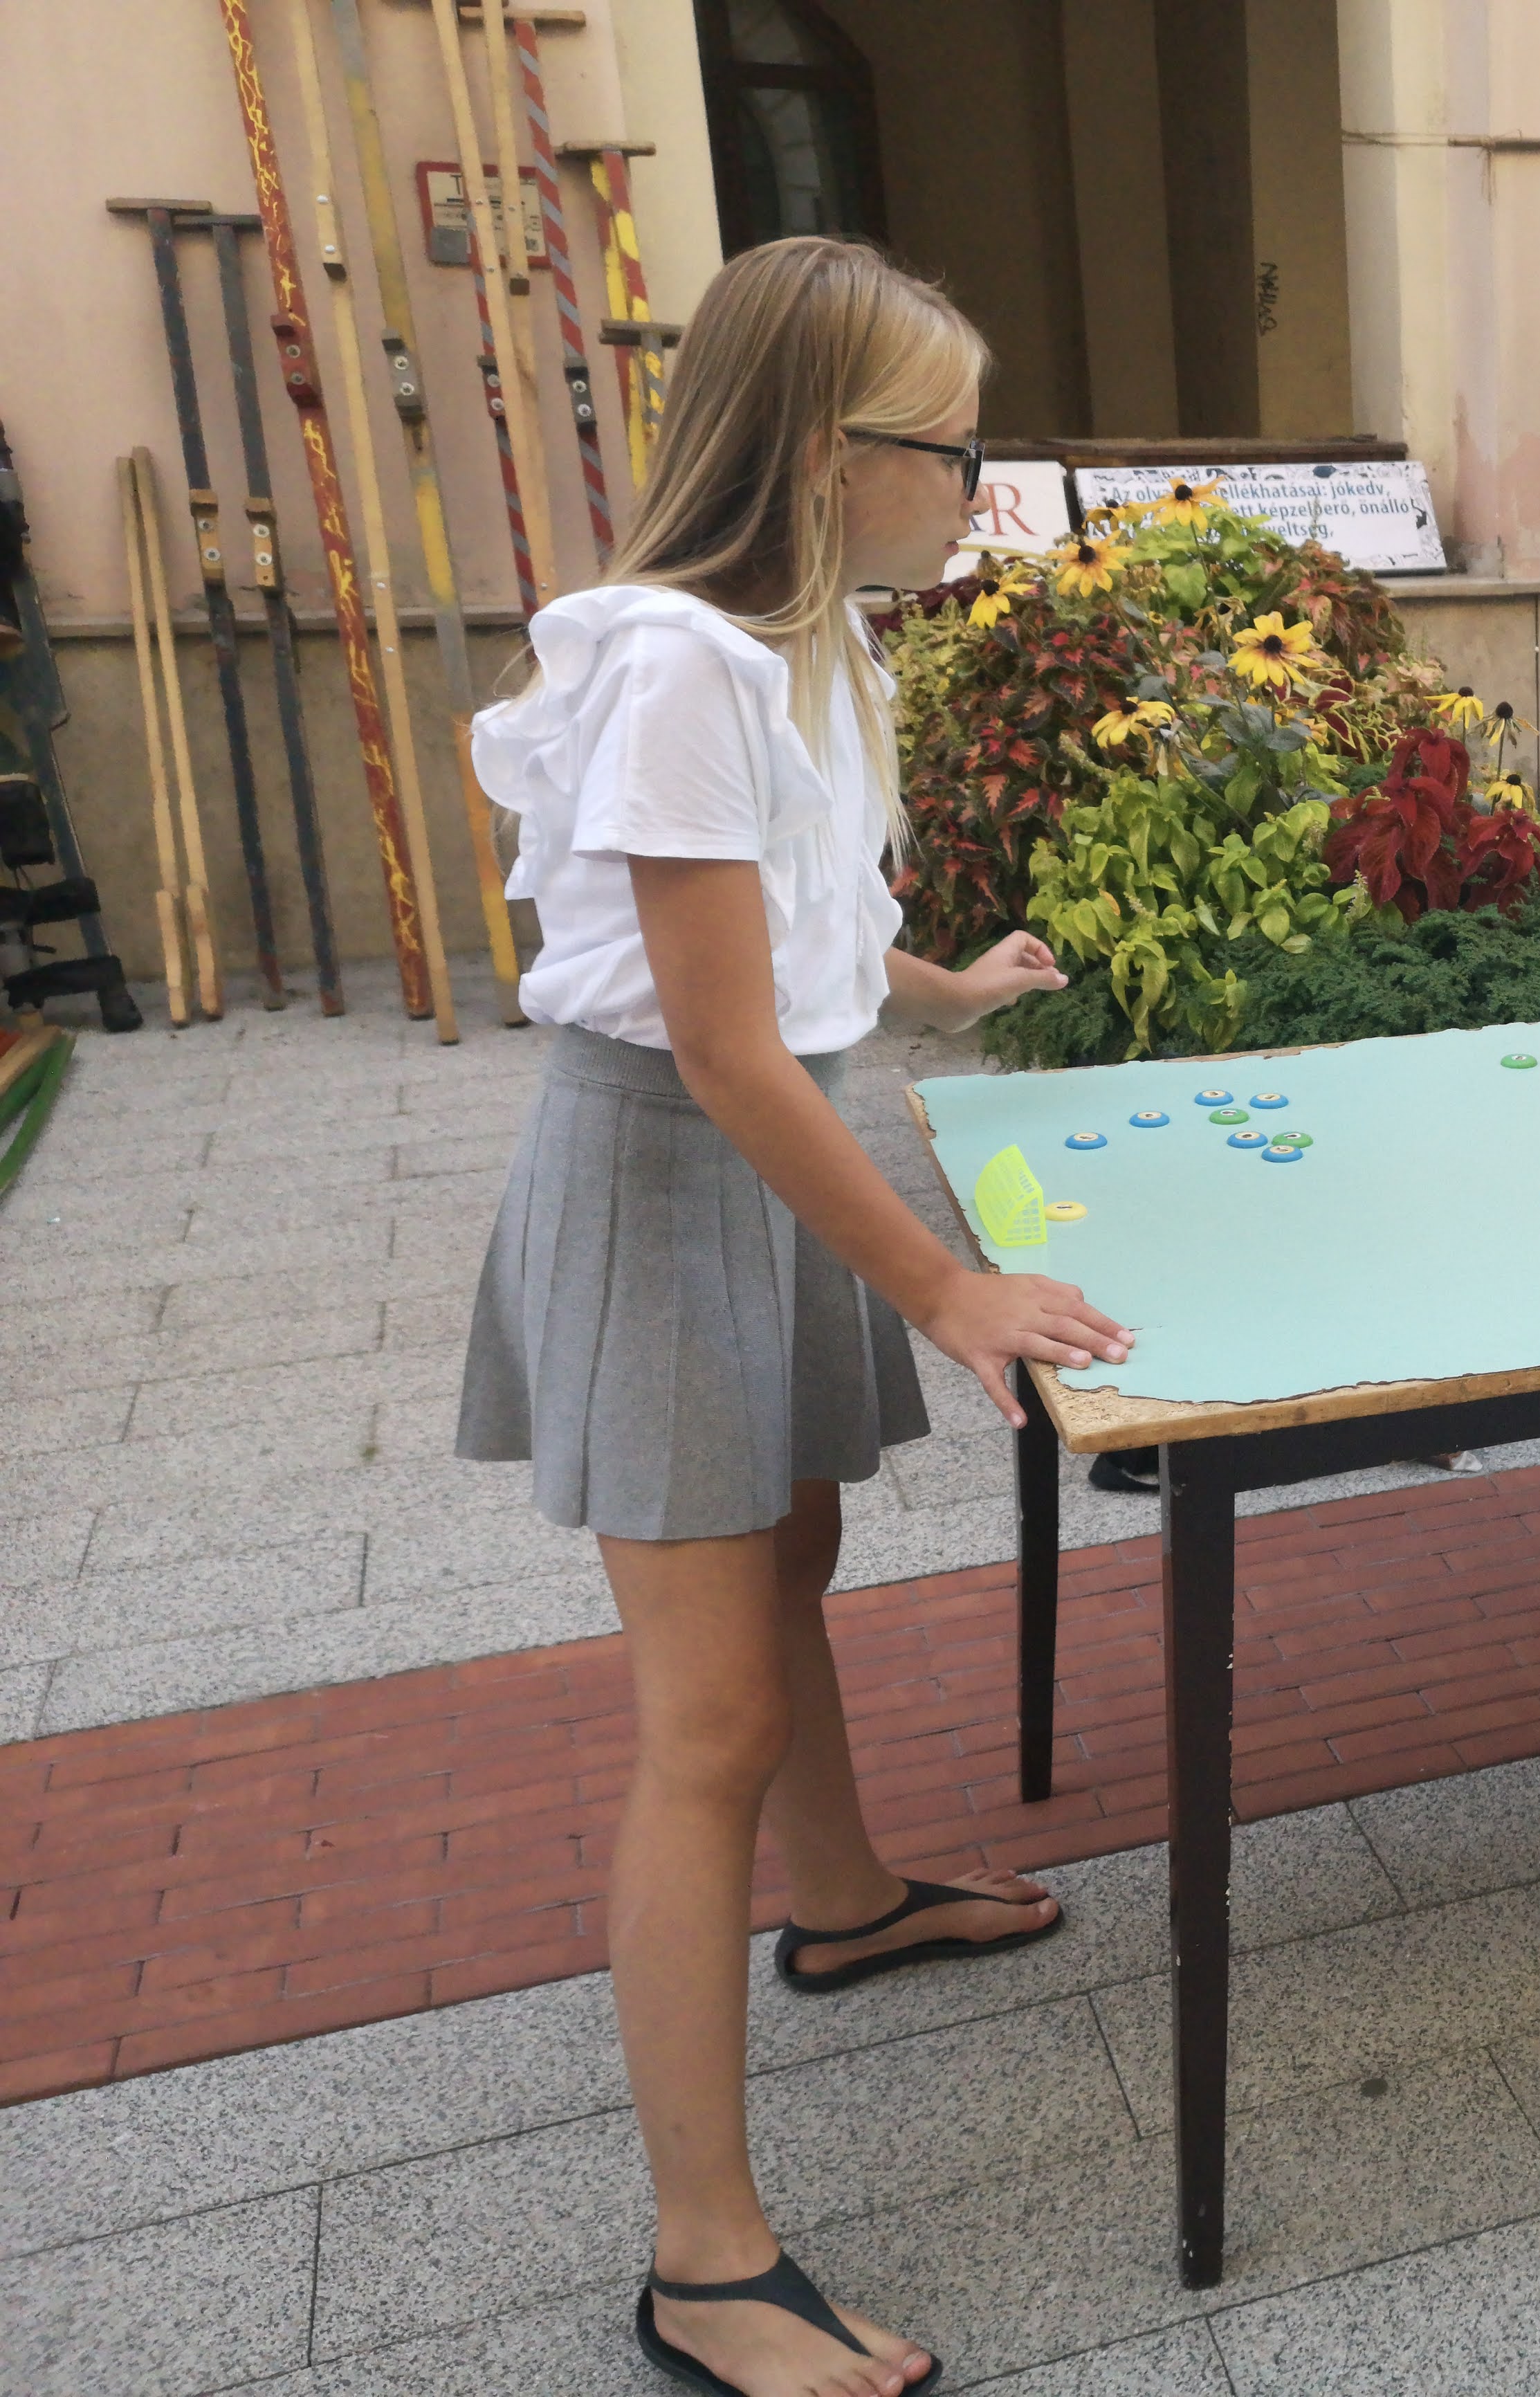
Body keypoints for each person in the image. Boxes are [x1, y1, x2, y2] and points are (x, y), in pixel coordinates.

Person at [456, 238, 1133, 2397]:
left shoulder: (808, 643)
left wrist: (948, 986)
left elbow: (788, 933)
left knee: (800, 1551)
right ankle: (703, 2262)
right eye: (955, 446)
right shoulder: (676, 659)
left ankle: (842, 1904)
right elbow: (722, 1047)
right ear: (830, 454)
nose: (978, 485)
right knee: (707, 1724)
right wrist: (944, 1284)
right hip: (671, 1179)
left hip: (758, 1154)